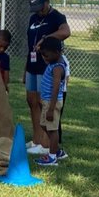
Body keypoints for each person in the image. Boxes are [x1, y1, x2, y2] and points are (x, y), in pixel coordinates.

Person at [35, 38, 69, 166]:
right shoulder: (52, 62)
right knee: (44, 125)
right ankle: (57, 151)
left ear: (57, 52)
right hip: (47, 101)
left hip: (52, 103)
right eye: (43, 55)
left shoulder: (58, 68)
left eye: (46, 55)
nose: (44, 58)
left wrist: (51, 109)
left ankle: (52, 157)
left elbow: (55, 89)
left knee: (52, 129)